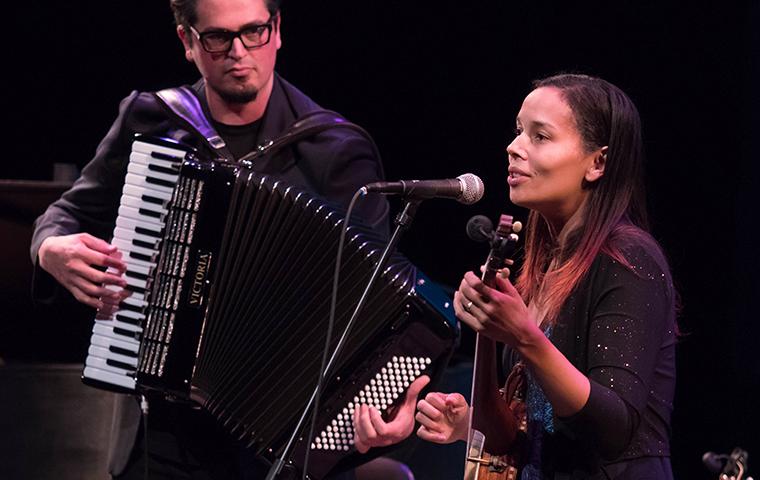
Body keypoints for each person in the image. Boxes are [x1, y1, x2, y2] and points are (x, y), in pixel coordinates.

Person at [30, 0, 390, 478]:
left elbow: (374, 307)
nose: (239, 52)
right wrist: (50, 249)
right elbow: (68, 214)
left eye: (254, 32)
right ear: (187, 41)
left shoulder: (336, 151)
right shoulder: (153, 120)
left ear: (277, 29)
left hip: (281, 435)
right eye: (218, 38)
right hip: (161, 428)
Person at [353, 73, 677, 479]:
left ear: (597, 163)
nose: (513, 147)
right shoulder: (545, 265)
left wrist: (524, 335)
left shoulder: (629, 259)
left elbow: (613, 430)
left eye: (540, 136)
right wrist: (487, 333)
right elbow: (506, 439)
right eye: (519, 131)